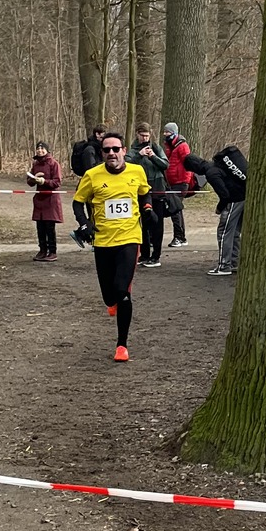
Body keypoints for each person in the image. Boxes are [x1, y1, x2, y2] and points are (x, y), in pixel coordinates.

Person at [73, 132, 151, 362]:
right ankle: (113, 301)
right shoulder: (92, 175)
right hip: (103, 241)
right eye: (107, 150)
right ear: (102, 153)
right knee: (109, 297)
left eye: (116, 149)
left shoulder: (137, 171)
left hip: (129, 239)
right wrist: (84, 224)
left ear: (124, 151)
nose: (112, 153)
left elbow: (145, 193)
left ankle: (121, 345)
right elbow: (78, 202)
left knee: (122, 291)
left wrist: (148, 208)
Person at [186, 145, 246, 277]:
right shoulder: (217, 164)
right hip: (243, 198)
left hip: (234, 201)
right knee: (234, 232)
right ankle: (234, 262)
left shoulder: (211, 173)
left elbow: (224, 195)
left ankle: (224, 265)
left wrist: (219, 208)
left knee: (223, 232)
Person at [130, 125, 167, 266]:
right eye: (142, 135)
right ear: (137, 134)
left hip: (157, 189)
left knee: (157, 223)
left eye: (147, 135)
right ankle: (144, 255)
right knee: (143, 224)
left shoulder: (156, 148)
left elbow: (165, 165)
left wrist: (153, 157)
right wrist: (139, 155)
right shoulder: (133, 150)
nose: (145, 138)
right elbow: (127, 165)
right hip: (140, 190)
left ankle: (156, 256)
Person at [70, 125, 111, 242]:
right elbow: (90, 169)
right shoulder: (90, 150)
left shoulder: (98, 149)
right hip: (90, 186)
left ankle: (83, 235)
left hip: (99, 184)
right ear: (97, 134)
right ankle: (85, 235)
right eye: (103, 134)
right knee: (93, 213)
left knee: (100, 212)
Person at [27, 140, 63, 260]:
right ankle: (42, 250)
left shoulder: (54, 164)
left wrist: (44, 182)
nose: (40, 150)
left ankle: (52, 252)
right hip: (39, 200)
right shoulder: (35, 164)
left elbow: (57, 182)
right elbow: (29, 182)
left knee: (49, 227)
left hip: (51, 199)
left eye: (42, 148)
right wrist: (34, 179)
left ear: (47, 150)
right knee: (40, 227)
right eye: (38, 148)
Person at [161, 123, 193, 247]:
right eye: (164, 132)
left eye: (167, 132)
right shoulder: (169, 147)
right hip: (172, 183)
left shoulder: (182, 146)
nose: (165, 134)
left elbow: (188, 164)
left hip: (181, 182)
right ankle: (182, 237)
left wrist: (186, 181)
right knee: (177, 209)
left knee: (174, 209)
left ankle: (178, 237)